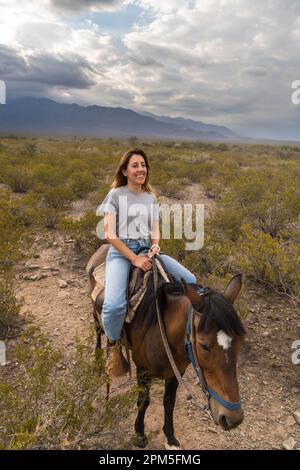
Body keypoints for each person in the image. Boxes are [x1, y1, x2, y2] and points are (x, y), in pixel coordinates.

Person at [97, 148, 196, 376]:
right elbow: (110, 234)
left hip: (147, 250)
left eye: (143, 165)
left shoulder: (150, 197)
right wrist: (134, 258)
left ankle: (185, 337)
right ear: (125, 170)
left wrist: (155, 245)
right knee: (114, 306)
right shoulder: (115, 195)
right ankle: (114, 346)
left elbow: (155, 227)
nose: (141, 169)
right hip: (122, 253)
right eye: (135, 165)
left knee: (191, 281)